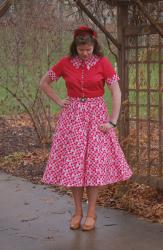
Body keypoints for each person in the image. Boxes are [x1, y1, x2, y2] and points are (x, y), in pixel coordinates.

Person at [40, 26, 132, 231]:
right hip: (72, 119)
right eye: (82, 50)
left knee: (93, 167)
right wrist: (58, 101)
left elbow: (116, 91)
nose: (85, 53)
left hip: (96, 118)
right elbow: (44, 83)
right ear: (76, 47)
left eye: (89, 49)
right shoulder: (64, 63)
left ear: (93, 46)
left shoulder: (103, 63)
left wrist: (113, 120)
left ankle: (91, 212)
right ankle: (77, 212)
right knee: (73, 166)